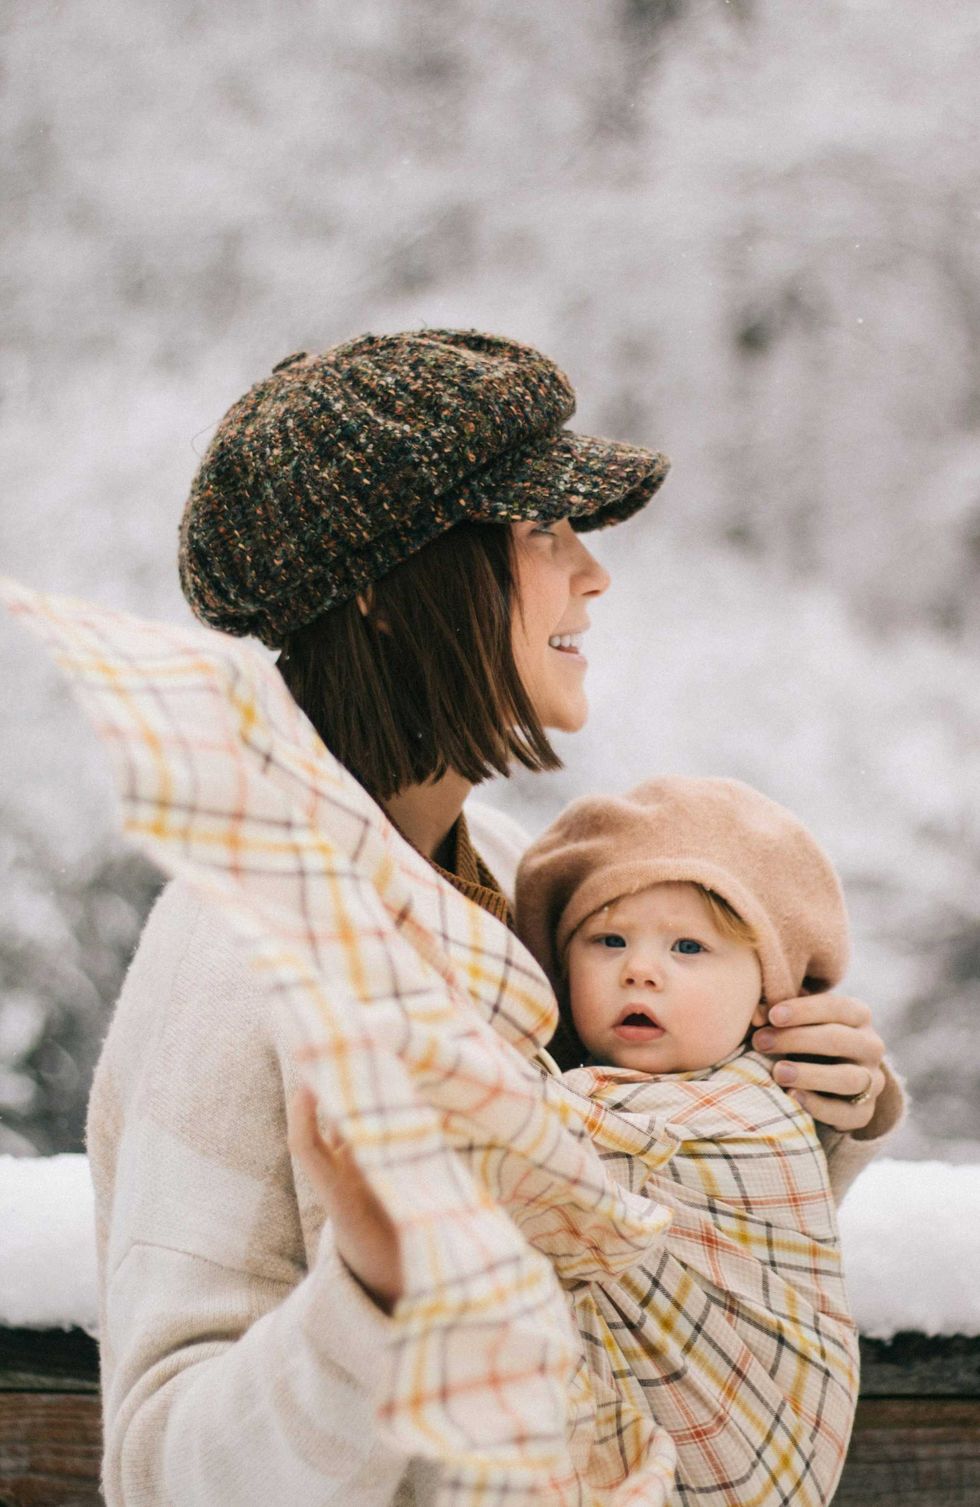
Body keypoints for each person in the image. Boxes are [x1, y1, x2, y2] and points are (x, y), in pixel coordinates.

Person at [83, 329, 901, 1506]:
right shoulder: (239, 943)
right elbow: (162, 1467)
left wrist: (802, 1105)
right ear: (384, 586)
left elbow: (616, 1264)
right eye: (539, 531)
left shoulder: (522, 887)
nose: (591, 573)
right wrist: (374, 1297)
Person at [514, 774, 863, 1504]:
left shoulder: (757, 1118)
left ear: (767, 997)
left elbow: (529, 1142)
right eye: (608, 940)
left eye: (689, 946)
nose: (640, 969)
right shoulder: (577, 1090)